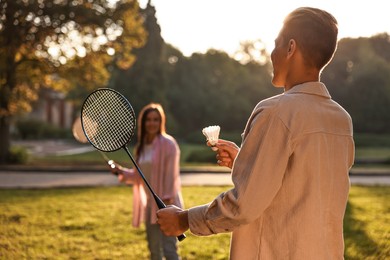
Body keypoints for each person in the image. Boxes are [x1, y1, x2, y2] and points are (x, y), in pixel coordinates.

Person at [156, 7, 355, 259]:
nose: (272, 54)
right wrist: (245, 162)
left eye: (276, 45)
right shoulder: (341, 120)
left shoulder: (275, 112)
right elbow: (301, 185)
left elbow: (243, 207)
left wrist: (184, 219)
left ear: (291, 47)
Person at [110, 103, 184, 260]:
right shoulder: (142, 147)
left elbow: (172, 176)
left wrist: (167, 203)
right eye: (148, 119)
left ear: (161, 122)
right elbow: (138, 176)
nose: (152, 123)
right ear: (143, 123)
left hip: (168, 204)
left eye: (156, 119)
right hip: (150, 206)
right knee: (154, 251)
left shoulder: (169, 144)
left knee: (170, 250)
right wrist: (120, 171)